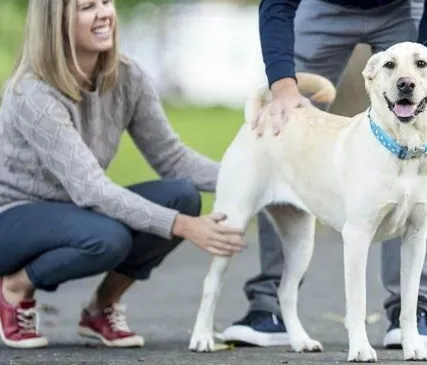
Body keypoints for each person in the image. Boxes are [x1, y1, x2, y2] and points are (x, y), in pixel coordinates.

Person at [0, 0, 244, 349]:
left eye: (106, 2)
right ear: (56, 23)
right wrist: (185, 226)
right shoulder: (33, 93)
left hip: (77, 210)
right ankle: (14, 289)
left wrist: (255, 180)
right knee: (108, 238)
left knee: (182, 196)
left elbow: (174, 160)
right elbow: (92, 190)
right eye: (87, 6)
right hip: (12, 219)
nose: (103, 13)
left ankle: (101, 308)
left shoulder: (127, 76)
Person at [220, 0, 427, 349]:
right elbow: (276, 4)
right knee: (282, 130)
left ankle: (409, 313)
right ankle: (270, 306)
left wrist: (426, 74)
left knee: (421, 141)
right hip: (323, 6)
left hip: (401, 9)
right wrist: (282, 84)